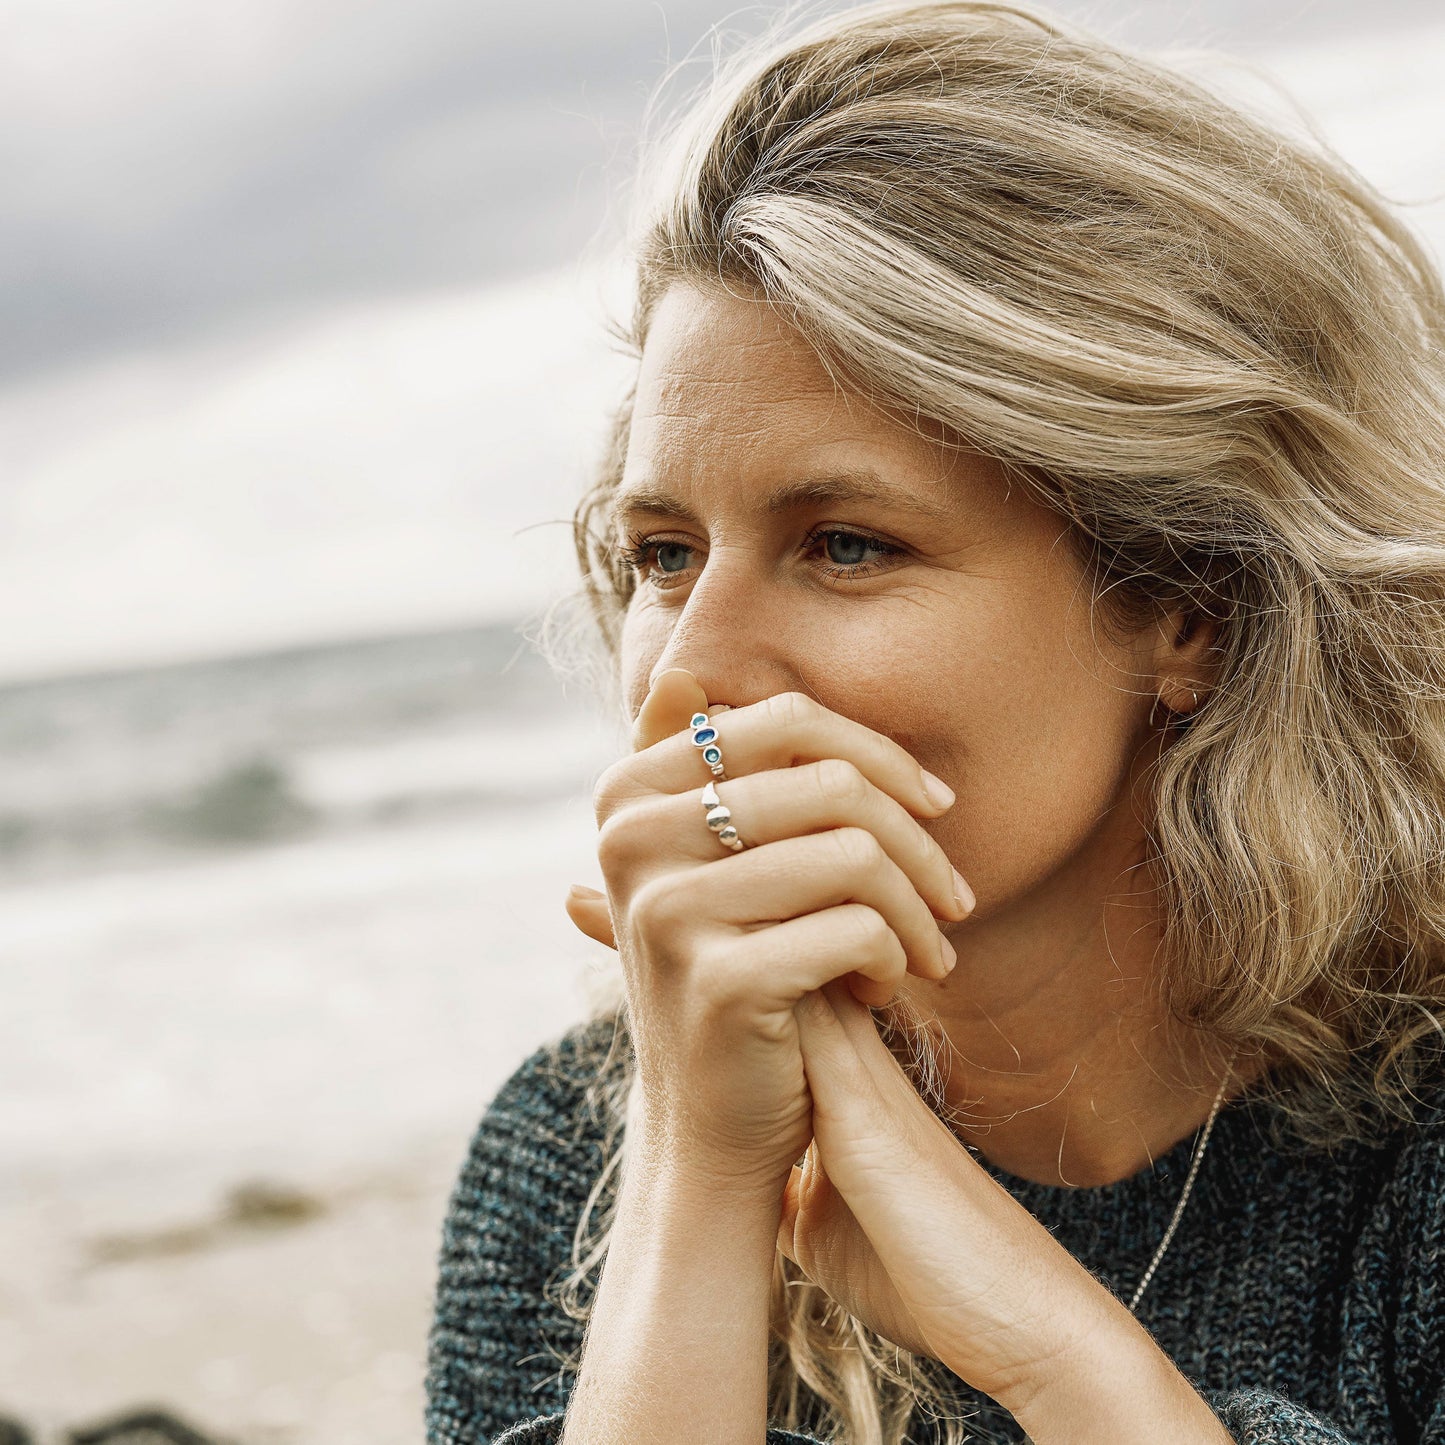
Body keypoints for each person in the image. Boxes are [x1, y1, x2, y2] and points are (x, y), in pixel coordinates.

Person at [426, 1, 1445, 1441]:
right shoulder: (568, 1147)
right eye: (663, 553)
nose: (688, 671)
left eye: (844, 543)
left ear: (1187, 610)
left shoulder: (1411, 1168)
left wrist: (1042, 1342)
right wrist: (695, 1180)